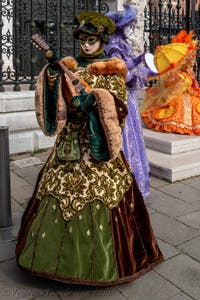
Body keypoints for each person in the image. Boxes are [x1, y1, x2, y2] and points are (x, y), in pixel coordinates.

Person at [16, 10, 163, 286]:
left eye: (91, 40)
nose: (85, 45)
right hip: (69, 145)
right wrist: (51, 78)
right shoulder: (71, 65)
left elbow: (119, 108)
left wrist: (95, 102)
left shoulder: (113, 68)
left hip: (97, 148)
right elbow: (56, 96)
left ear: (102, 41)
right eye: (82, 39)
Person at [104, 5, 155, 199]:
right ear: (119, 27)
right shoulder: (113, 46)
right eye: (128, 26)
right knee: (124, 137)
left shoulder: (121, 44)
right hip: (120, 97)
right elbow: (121, 75)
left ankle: (134, 182)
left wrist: (140, 60)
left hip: (129, 97)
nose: (130, 29)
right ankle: (122, 185)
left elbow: (127, 65)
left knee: (133, 137)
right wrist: (145, 72)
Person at [140, 30, 200, 135]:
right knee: (177, 107)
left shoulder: (189, 72)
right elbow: (169, 86)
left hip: (188, 95)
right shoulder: (174, 71)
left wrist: (189, 84)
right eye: (190, 59)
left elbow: (193, 85)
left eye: (193, 59)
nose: (192, 62)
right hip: (175, 96)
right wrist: (180, 81)